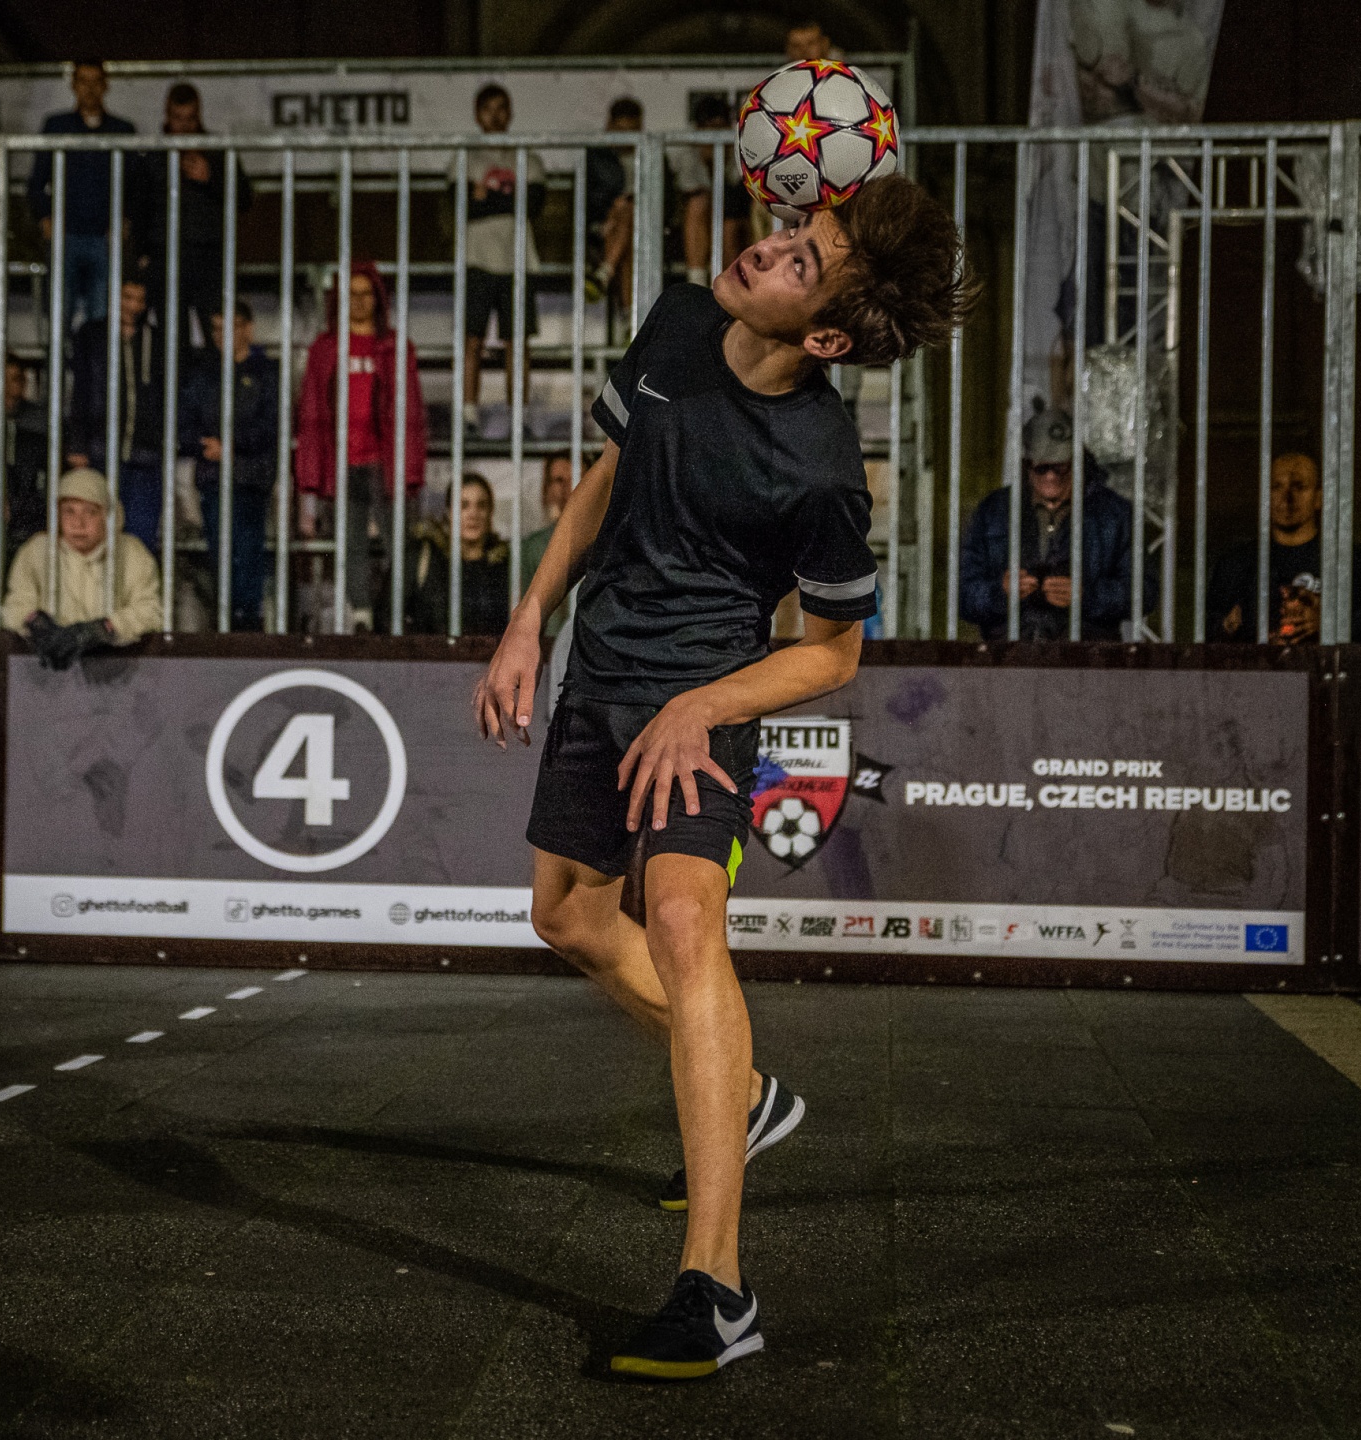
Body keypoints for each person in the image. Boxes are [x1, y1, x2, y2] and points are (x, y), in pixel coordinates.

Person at [474, 175, 970, 1378]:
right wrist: (531, 614)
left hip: (704, 701)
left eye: (806, 260)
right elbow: (608, 471)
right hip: (599, 671)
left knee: (685, 921)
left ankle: (718, 1289)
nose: (774, 246)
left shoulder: (821, 466)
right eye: (797, 231)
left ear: (829, 339)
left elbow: (834, 652)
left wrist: (702, 706)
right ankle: (743, 1095)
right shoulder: (680, 318)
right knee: (566, 918)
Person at [293, 258, 428, 633]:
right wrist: (311, 474)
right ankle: (363, 616)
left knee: (400, 545)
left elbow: (412, 410)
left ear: (378, 298)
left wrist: (410, 466)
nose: (360, 301)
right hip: (343, 464)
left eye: (366, 293)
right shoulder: (325, 348)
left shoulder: (395, 346)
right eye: (351, 294)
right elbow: (311, 410)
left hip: (385, 462)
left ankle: (394, 614)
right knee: (351, 545)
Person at [957, 403, 1144, 643]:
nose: (1051, 476)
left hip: (1087, 657)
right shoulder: (994, 511)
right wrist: (1000, 593)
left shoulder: (1114, 514)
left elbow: (1143, 593)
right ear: (1027, 464)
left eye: (1060, 467)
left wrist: (1087, 596)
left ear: (1078, 461)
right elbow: (963, 594)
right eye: (1042, 467)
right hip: (1009, 655)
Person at [1208, 451, 1361, 644]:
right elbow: (1208, 637)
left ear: (1319, 497)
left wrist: (1329, 624)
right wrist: (1228, 626)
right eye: (1276, 487)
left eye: (1299, 487)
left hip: (1323, 664)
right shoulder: (1235, 564)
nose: (1287, 498)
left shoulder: (1351, 563)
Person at [1, 465, 162, 668]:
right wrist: (35, 624)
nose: (78, 523)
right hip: (48, 672)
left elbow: (150, 610)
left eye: (91, 512)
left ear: (108, 515)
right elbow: (15, 604)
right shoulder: (37, 550)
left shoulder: (132, 553)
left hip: (116, 672)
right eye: (69, 511)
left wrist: (104, 628)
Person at [181, 300, 278, 632]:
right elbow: (183, 423)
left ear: (248, 329)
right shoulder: (203, 375)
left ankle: (245, 625)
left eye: (230, 327)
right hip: (213, 477)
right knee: (221, 556)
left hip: (251, 478)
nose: (222, 335)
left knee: (247, 555)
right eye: (216, 329)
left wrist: (232, 445)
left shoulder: (266, 373)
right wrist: (206, 446)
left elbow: (272, 425)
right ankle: (227, 625)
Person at [128, 82, 254, 337]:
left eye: (190, 118)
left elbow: (245, 199)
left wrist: (211, 179)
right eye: (178, 118)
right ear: (167, 115)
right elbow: (139, 209)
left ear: (199, 115)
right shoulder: (152, 154)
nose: (184, 126)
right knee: (172, 336)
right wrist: (141, 256)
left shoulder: (217, 152)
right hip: (164, 256)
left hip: (209, 257)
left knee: (217, 333)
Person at [26, 60, 136, 331]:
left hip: (105, 237)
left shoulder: (122, 130)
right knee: (59, 316)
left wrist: (125, 220)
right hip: (66, 235)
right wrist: (46, 218)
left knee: (101, 320)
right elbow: (36, 182)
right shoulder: (56, 126)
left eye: (95, 81)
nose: (90, 88)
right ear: (74, 85)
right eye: (83, 81)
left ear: (105, 85)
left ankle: (95, 362)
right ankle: (57, 361)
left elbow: (136, 184)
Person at [69, 276, 171, 556]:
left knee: (140, 543)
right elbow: (80, 392)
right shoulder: (91, 335)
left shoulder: (158, 339)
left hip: (146, 456)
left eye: (140, 300)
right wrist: (77, 444)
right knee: (96, 540)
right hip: (100, 453)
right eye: (127, 298)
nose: (133, 306)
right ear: (113, 297)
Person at [462, 84, 545, 421]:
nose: (495, 116)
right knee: (471, 339)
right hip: (476, 258)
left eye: (501, 108)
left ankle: (518, 418)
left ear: (510, 113)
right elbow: (459, 206)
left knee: (518, 343)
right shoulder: (465, 157)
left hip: (518, 260)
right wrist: (511, 198)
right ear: (477, 115)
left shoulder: (528, 157)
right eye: (488, 109)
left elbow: (534, 204)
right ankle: (468, 415)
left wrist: (487, 198)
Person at [408, 474, 511, 636]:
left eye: (481, 505)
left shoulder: (506, 565)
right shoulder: (425, 559)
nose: (473, 514)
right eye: (463, 505)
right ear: (449, 512)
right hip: (432, 653)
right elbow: (386, 617)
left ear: (490, 511)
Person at [669, 94, 749, 288]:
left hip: (734, 220)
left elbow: (738, 198)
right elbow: (689, 195)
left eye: (720, 128)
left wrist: (720, 161)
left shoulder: (740, 152)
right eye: (709, 128)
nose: (715, 135)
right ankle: (696, 284)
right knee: (699, 204)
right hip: (692, 223)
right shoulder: (688, 154)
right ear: (699, 129)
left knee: (729, 224)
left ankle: (728, 289)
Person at [586, 98, 642, 308]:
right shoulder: (597, 158)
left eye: (631, 130)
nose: (626, 137)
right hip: (605, 224)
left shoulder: (652, 154)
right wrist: (613, 208)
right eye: (621, 130)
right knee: (630, 238)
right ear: (609, 126)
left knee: (631, 222)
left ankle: (604, 274)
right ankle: (630, 318)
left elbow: (667, 200)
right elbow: (590, 199)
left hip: (642, 226)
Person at [516, 453, 575, 637]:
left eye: (578, 477)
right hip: (547, 645)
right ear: (547, 489)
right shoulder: (532, 547)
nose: (568, 487)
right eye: (559, 480)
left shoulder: (608, 542)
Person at [4, 354, 52, 555]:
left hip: (33, 509)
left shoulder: (40, 418)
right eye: (9, 377)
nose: (16, 383)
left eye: (19, 377)